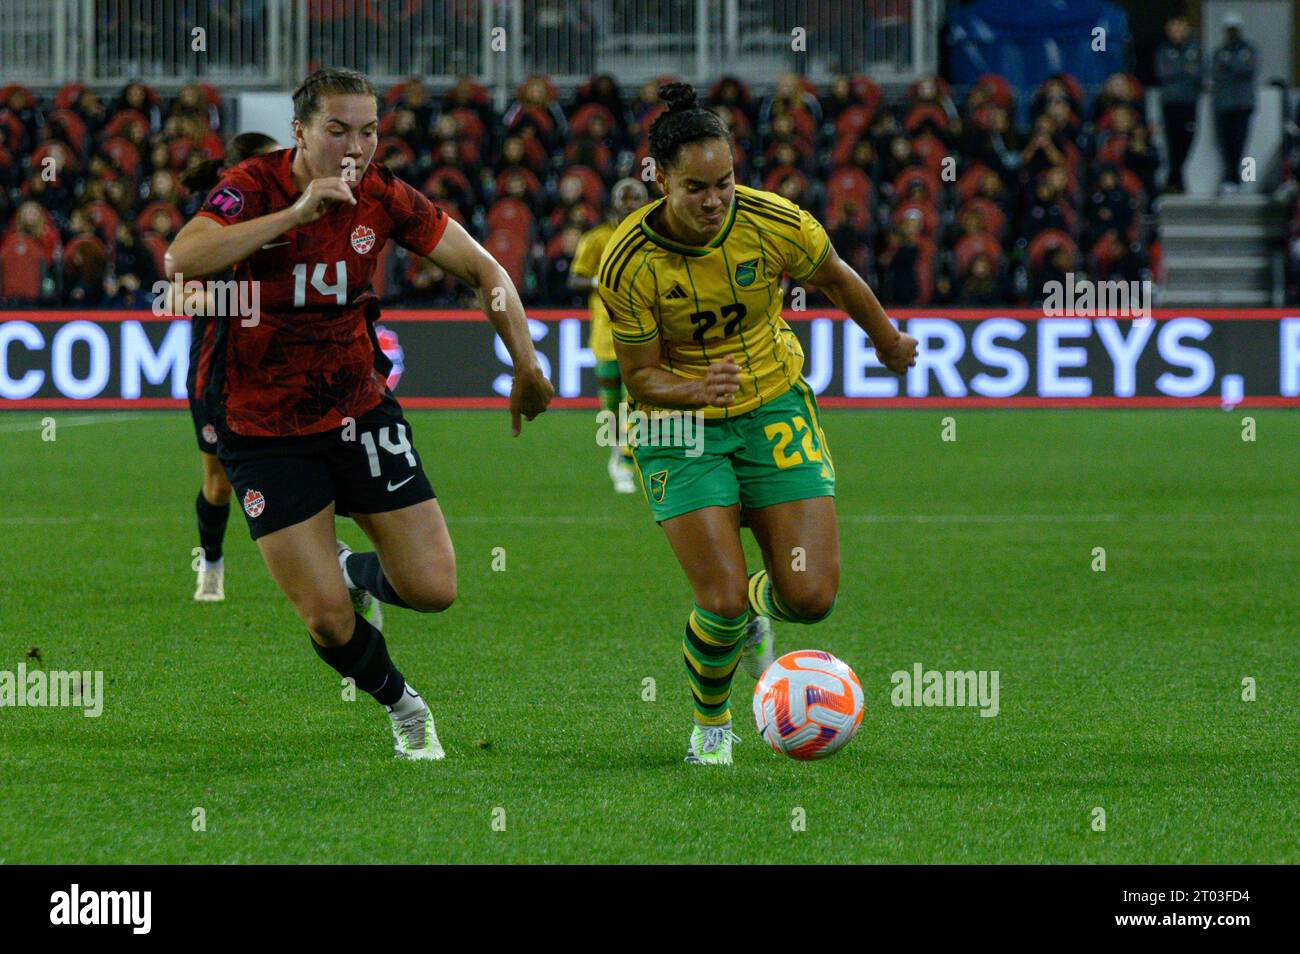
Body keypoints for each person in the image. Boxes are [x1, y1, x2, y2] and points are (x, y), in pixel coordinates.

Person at [164, 68, 554, 760]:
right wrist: (292, 216)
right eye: (337, 129)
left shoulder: (382, 195)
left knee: (434, 590)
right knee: (326, 619)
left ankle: (347, 566)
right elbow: (182, 258)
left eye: (369, 129)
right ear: (301, 133)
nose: (356, 145)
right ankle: (405, 708)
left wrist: (525, 363)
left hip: (358, 411)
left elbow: (485, 272)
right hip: (263, 429)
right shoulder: (253, 186)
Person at [599, 83, 917, 766]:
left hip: (773, 406)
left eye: (726, 181)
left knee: (810, 596)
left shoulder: (772, 221)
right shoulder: (628, 261)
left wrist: (886, 341)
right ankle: (711, 728)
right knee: (718, 601)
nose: (716, 200)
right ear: (657, 178)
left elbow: (836, 277)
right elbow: (639, 377)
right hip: (677, 426)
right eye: (696, 187)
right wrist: (695, 389)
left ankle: (751, 611)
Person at [178, 132, 280, 601]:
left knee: (290, 475)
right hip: (215, 373)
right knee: (219, 485)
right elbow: (175, 292)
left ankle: (325, 571)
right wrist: (230, 298)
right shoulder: (210, 228)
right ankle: (212, 565)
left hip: (273, 371)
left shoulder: (288, 222)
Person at [568, 177, 649, 493]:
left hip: (642, 336)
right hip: (605, 335)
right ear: (614, 203)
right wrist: (599, 282)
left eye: (636, 198)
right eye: (624, 198)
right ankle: (618, 451)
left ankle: (628, 464)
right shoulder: (596, 240)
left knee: (635, 402)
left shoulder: (653, 240)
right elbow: (575, 281)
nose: (630, 204)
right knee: (612, 406)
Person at [1155, 16, 1201, 194]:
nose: (1177, 32)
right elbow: (1163, 73)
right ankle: (1176, 180)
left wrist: (1179, 70)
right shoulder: (1162, 50)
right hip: (1170, 103)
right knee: (1172, 141)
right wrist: (1184, 69)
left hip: (1189, 102)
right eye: (1173, 28)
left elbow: (1198, 73)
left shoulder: (1195, 49)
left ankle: (1174, 178)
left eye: (1180, 28)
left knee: (1187, 140)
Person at [1211, 12, 1257, 194]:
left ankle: (1241, 179)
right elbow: (1216, 73)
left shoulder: (1249, 49)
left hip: (1243, 104)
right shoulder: (1220, 51)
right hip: (1224, 104)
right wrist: (1236, 67)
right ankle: (1229, 178)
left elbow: (1249, 69)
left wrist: (1230, 66)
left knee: (1241, 142)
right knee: (1225, 143)